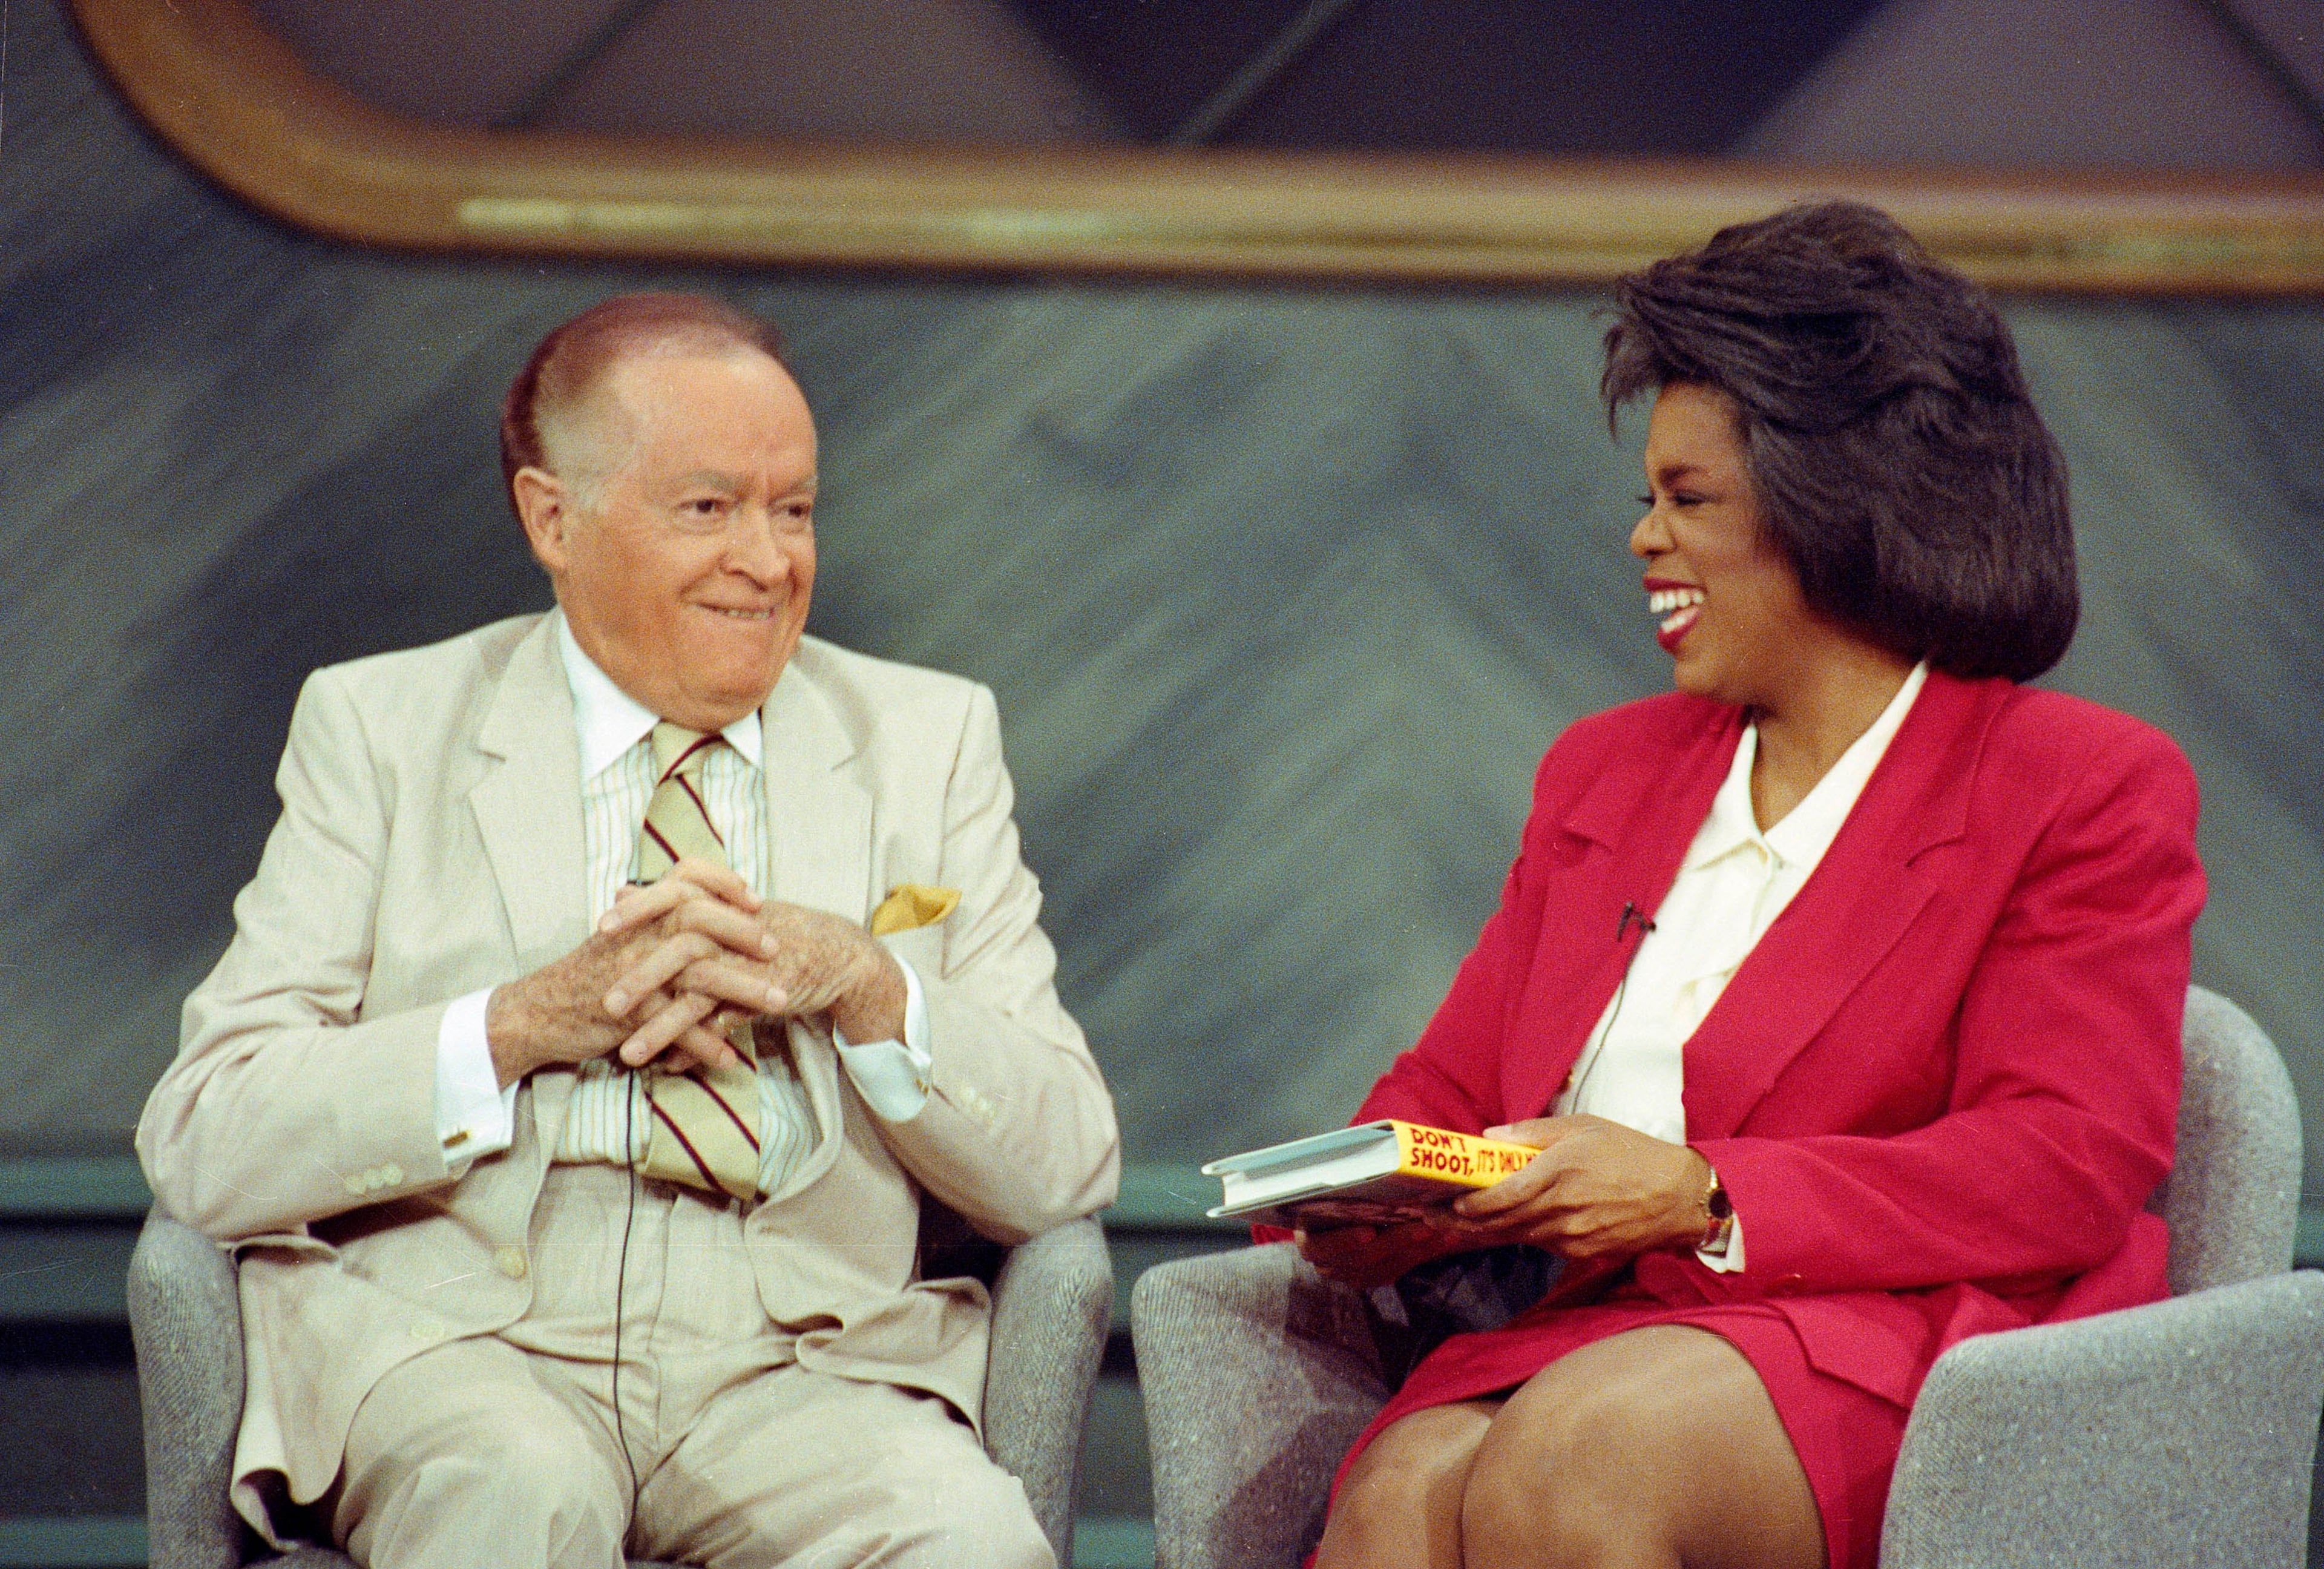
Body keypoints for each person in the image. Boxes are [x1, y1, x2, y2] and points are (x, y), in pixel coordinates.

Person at [136, 292, 1120, 1569]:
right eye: (708, 508)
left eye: (795, 508)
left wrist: (869, 986)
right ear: (554, 518)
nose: (768, 562)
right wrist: (524, 1024)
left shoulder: (929, 744)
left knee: (974, 1545)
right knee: (517, 1496)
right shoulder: (383, 730)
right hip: (470, 1344)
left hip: (799, 1364)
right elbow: (207, 1137)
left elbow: (1067, 1163)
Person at [1298, 202, 2204, 1569]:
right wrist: (1370, 1190)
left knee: (1575, 1462)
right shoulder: (1604, 774)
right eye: (1646, 497)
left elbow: (2064, 1162)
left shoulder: (2078, 784)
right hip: (1594, 1325)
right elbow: (1456, 1084)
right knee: (1395, 1499)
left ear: (1838, 507)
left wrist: (1706, 1197)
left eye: (1691, 499)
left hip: (1897, 1329)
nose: (1644, 541)